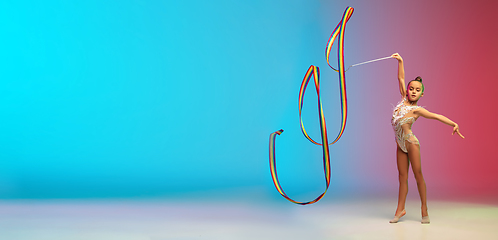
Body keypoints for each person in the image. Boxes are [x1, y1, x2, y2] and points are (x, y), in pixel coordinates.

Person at [389, 53, 464, 224]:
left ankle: (424, 208)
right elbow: (401, 77)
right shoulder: (402, 100)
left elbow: (436, 116)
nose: (413, 91)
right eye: (411, 89)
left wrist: (454, 123)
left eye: (417, 90)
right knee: (402, 177)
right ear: (407, 90)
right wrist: (400, 61)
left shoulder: (418, 110)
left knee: (418, 175)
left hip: (411, 143)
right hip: (399, 144)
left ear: (422, 94)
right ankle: (400, 209)